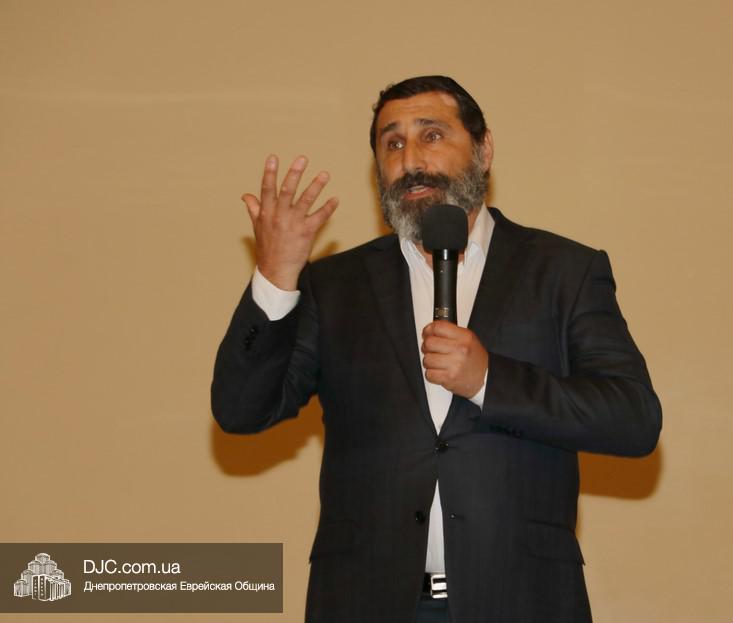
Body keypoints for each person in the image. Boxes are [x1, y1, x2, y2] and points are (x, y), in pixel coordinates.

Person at [212, 75, 662, 623]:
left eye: (431, 135)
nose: (410, 160)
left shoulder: (563, 271)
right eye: (392, 143)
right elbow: (241, 409)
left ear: (484, 149)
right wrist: (276, 278)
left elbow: (633, 419)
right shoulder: (336, 286)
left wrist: (489, 381)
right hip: (365, 602)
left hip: (522, 601)